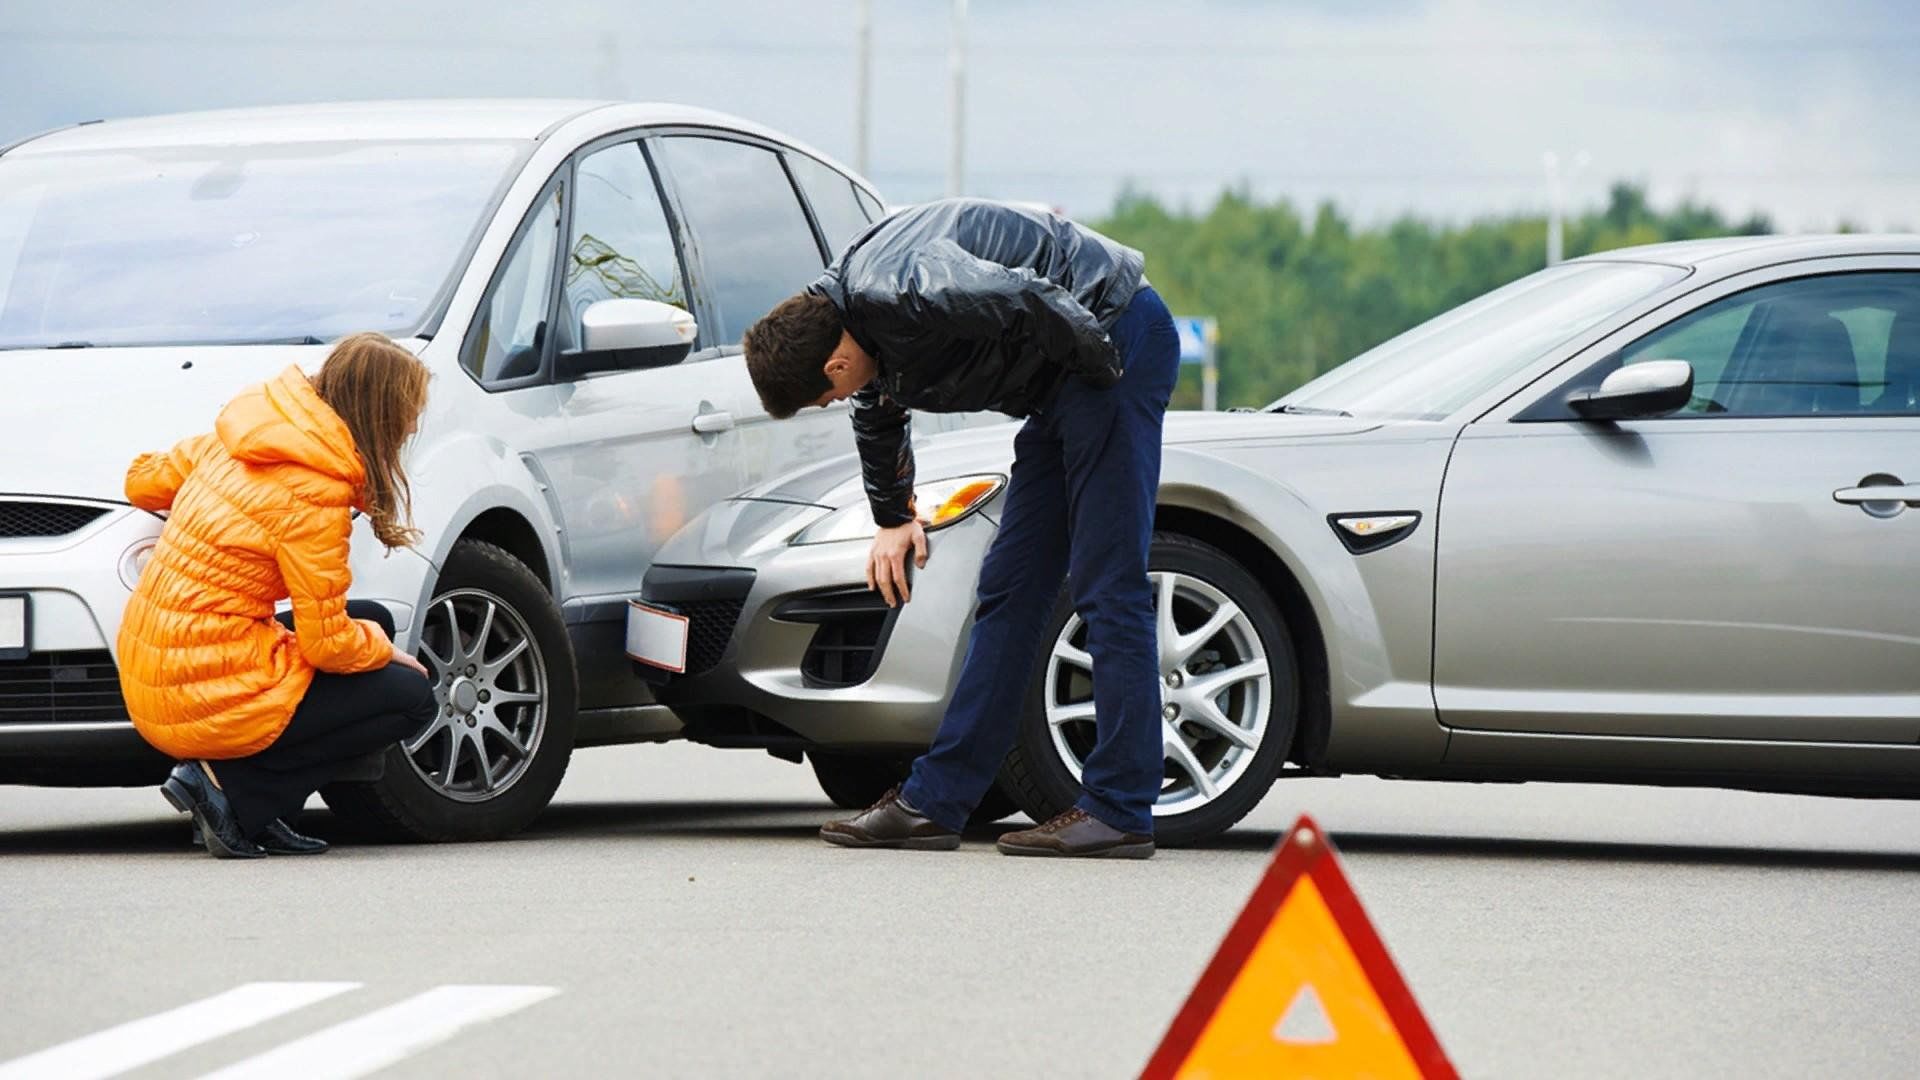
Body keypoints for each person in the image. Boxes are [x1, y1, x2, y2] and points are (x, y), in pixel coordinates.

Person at [743, 198, 1179, 859]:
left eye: (823, 397)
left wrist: (1101, 380)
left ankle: (1120, 808)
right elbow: (879, 410)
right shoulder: (852, 317)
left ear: (833, 364)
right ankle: (936, 803)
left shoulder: (907, 288)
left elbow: (1028, 296)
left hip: (1111, 344)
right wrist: (892, 517)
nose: (836, 401)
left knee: (1105, 580)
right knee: (1008, 586)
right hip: (1069, 379)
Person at [117, 333, 439, 859]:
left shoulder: (246, 435)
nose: (410, 428)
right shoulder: (315, 494)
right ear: (380, 414)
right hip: (199, 685)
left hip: (154, 660)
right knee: (410, 696)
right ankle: (234, 794)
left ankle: (255, 809)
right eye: (408, 414)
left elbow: (141, 481)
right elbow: (327, 645)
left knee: (371, 616)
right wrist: (384, 649)